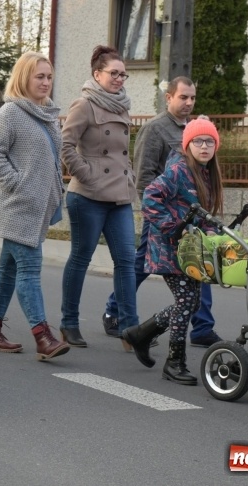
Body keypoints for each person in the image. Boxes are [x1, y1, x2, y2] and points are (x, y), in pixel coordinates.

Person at [101, 77, 221, 349]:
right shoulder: (155, 128)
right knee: (141, 265)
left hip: (190, 218)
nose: (189, 102)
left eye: (192, 98)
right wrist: (158, 218)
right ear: (169, 98)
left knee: (201, 263)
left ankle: (202, 327)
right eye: (183, 97)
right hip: (163, 217)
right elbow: (144, 175)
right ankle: (114, 310)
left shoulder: (192, 128)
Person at [0, 51, 70, 361]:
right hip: (16, 205)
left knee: (7, 270)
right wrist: (19, 184)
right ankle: (43, 337)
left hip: (36, 206)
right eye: (39, 76)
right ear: (23, 78)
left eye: (49, 77)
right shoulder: (10, 113)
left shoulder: (46, 114)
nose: (46, 82)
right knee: (29, 269)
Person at [123, 119, 224, 385]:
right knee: (186, 302)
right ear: (187, 145)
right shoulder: (179, 170)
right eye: (198, 141)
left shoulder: (206, 173)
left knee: (190, 303)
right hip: (170, 249)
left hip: (189, 251)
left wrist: (211, 233)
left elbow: (199, 213)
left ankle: (141, 334)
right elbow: (150, 196)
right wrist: (174, 227)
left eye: (210, 141)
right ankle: (174, 362)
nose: (204, 146)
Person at [59, 45, 137, 349]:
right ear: (97, 74)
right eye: (113, 73)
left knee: (127, 261)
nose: (119, 79)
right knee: (81, 258)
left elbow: (121, 153)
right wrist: (87, 175)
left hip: (119, 197)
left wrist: (129, 176)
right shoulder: (84, 105)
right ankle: (69, 323)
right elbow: (65, 146)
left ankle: (130, 329)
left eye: (123, 74)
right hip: (88, 197)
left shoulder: (122, 106)